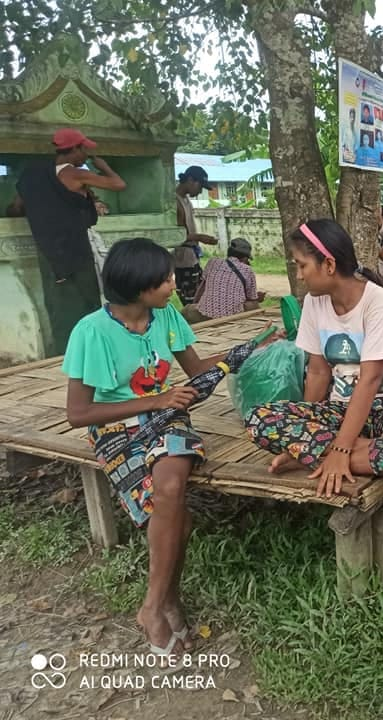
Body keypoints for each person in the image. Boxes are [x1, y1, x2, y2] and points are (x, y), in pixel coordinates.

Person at [63, 238, 265, 655]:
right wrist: (155, 400)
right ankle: (166, 602)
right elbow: (79, 413)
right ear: (139, 285)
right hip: (114, 426)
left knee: (170, 486)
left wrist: (247, 350)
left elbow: (196, 368)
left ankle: (152, 607)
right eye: (166, 279)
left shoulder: (167, 316)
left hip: (168, 417)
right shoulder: (91, 331)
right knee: (176, 519)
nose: (175, 284)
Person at [247, 218, 383, 513]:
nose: (299, 275)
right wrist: (311, 423)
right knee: (259, 419)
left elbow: (371, 379)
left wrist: (336, 448)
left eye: (302, 265)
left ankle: (320, 456)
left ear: (328, 264)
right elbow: (318, 372)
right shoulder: (314, 302)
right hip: (342, 409)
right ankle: (371, 457)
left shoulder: (378, 301)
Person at [8, 128, 127, 355]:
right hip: (75, 248)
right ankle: (90, 350)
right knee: (86, 301)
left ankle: (65, 353)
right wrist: (102, 166)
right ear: (73, 149)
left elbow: (16, 207)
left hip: (48, 252)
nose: (86, 155)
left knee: (59, 304)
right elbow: (118, 184)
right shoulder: (74, 174)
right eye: (84, 150)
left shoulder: (33, 176)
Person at [183, 237, 264, 322]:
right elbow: (252, 299)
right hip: (233, 316)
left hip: (205, 314)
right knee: (253, 305)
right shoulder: (247, 270)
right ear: (245, 258)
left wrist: (196, 305)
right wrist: (258, 298)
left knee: (187, 310)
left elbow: (202, 288)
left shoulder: (213, 262)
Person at [173, 166, 218, 305]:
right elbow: (178, 236)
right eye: (200, 186)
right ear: (190, 180)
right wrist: (200, 237)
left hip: (191, 256)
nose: (199, 191)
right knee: (191, 302)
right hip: (182, 259)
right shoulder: (175, 202)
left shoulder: (186, 200)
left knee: (200, 296)